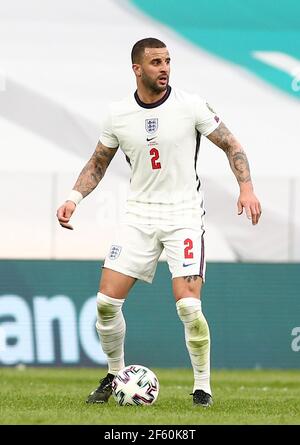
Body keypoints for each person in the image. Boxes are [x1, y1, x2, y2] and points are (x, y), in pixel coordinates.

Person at [56, 37, 262, 407]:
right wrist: (74, 198)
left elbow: (232, 144)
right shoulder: (118, 114)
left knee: (188, 308)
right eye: (155, 62)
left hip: (183, 216)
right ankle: (114, 374)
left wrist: (246, 188)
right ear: (137, 69)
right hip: (138, 217)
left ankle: (202, 388)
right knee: (105, 303)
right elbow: (98, 161)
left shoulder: (192, 106)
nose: (164, 68)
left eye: (167, 61)